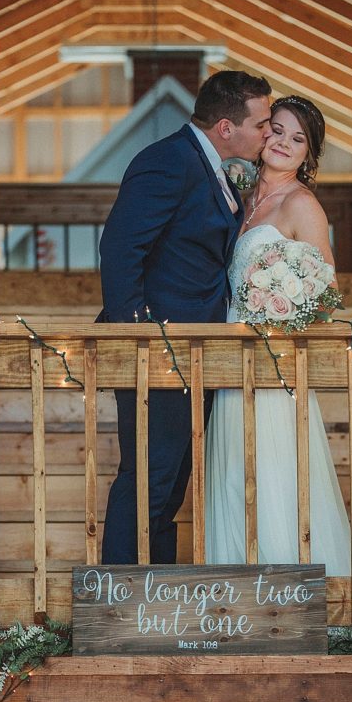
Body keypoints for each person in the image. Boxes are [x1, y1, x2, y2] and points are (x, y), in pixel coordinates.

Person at [98, 71, 272, 564]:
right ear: (225, 126)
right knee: (149, 478)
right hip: (158, 352)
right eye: (260, 124)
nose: (267, 133)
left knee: (170, 484)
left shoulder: (214, 166)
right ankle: (119, 602)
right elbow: (120, 248)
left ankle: (157, 600)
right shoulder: (167, 161)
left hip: (196, 352)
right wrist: (141, 338)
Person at [205, 95, 351, 575]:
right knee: (232, 474)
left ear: (309, 154)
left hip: (273, 364)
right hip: (229, 358)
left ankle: (292, 597)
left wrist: (279, 303)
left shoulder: (302, 203)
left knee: (272, 474)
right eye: (277, 130)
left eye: (298, 138)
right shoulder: (240, 196)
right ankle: (236, 594)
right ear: (261, 132)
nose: (284, 143)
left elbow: (327, 288)